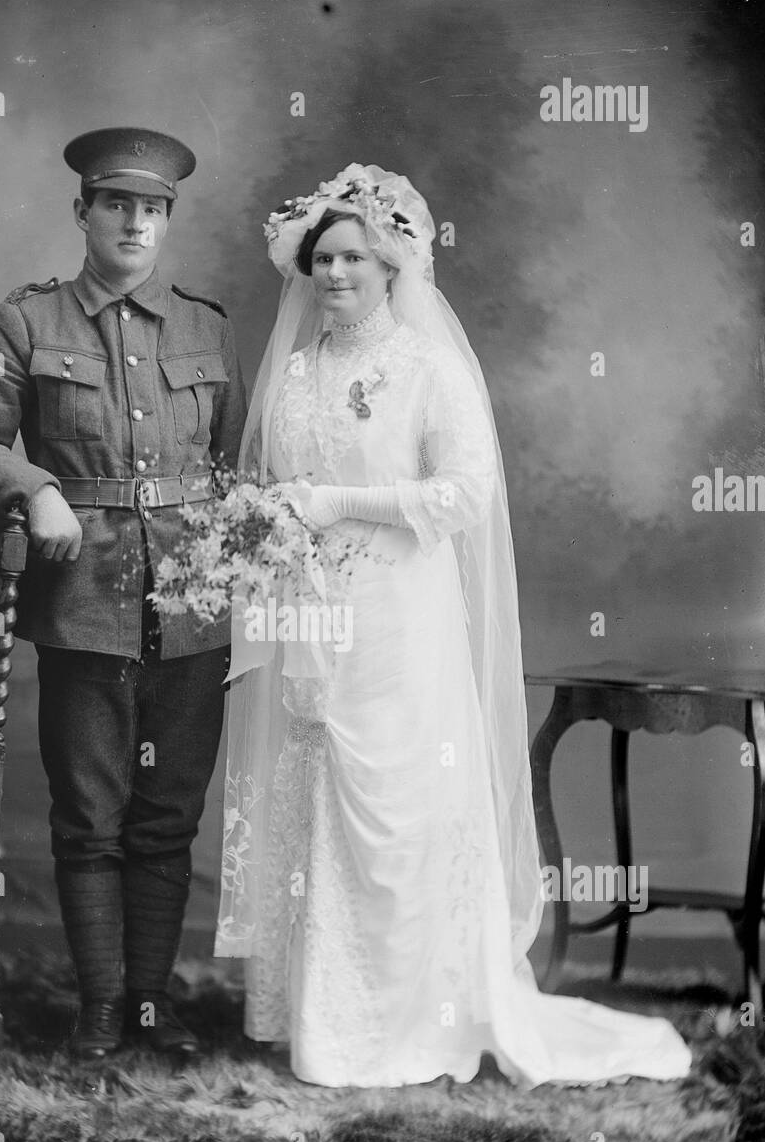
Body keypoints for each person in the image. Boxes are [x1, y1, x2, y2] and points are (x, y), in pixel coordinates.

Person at [215, 164, 691, 1089]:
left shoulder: (429, 369)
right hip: (316, 619)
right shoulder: (299, 373)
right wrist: (273, 524)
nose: (338, 273)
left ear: (394, 266)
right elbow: (273, 492)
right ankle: (329, 1022)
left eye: (356, 256)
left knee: (401, 802)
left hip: (403, 620)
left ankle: (416, 1024)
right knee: (324, 793)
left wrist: (335, 502)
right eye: (324, 258)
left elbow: (466, 493)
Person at [0, 127, 247, 1060]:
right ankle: (102, 1007)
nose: (136, 223)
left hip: (193, 607)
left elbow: (229, 470)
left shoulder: (207, 327)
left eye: (153, 209)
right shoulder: (30, 323)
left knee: (169, 817)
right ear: (83, 213)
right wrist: (36, 488)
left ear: (166, 220)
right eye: (118, 204)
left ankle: (152, 1004)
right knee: (91, 817)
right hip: (84, 606)